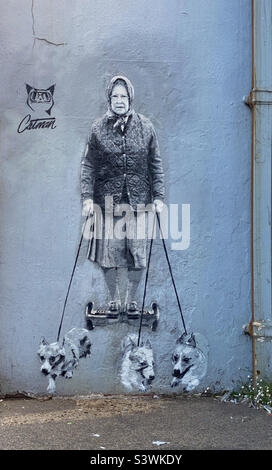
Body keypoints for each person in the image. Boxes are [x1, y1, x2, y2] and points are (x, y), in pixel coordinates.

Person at [80, 75, 165, 318]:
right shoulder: (98, 129)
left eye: (123, 96)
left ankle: (131, 301)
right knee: (111, 253)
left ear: (130, 98)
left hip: (138, 201)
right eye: (115, 96)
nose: (119, 101)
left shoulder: (146, 127)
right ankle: (115, 300)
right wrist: (87, 198)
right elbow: (88, 165)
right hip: (107, 201)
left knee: (136, 253)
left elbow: (155, 164)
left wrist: (158, 196)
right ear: (109, 99)